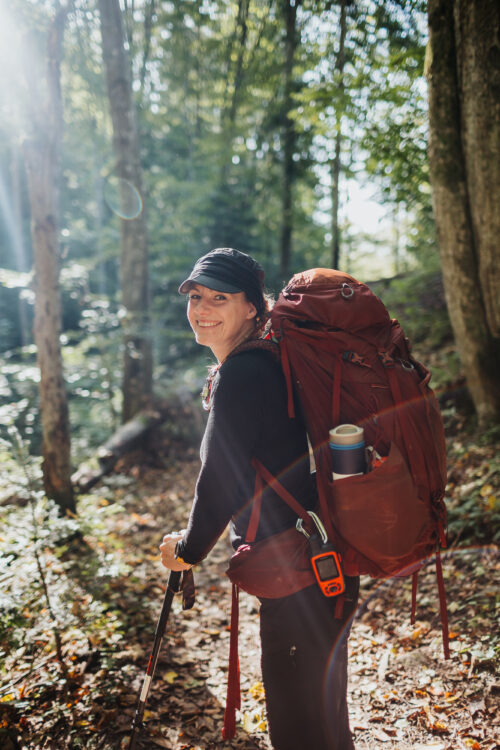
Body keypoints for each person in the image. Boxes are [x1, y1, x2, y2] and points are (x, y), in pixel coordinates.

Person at [160, 247, 359, 750]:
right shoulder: (268, 359)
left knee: (301, 726)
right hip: (320, 559)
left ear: (252, 307)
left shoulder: (244, 373)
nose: (202, 308)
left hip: (299, 569)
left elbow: (222, 478)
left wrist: (187, 550)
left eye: (219, 297)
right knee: (323, 715)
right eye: (196, 296)